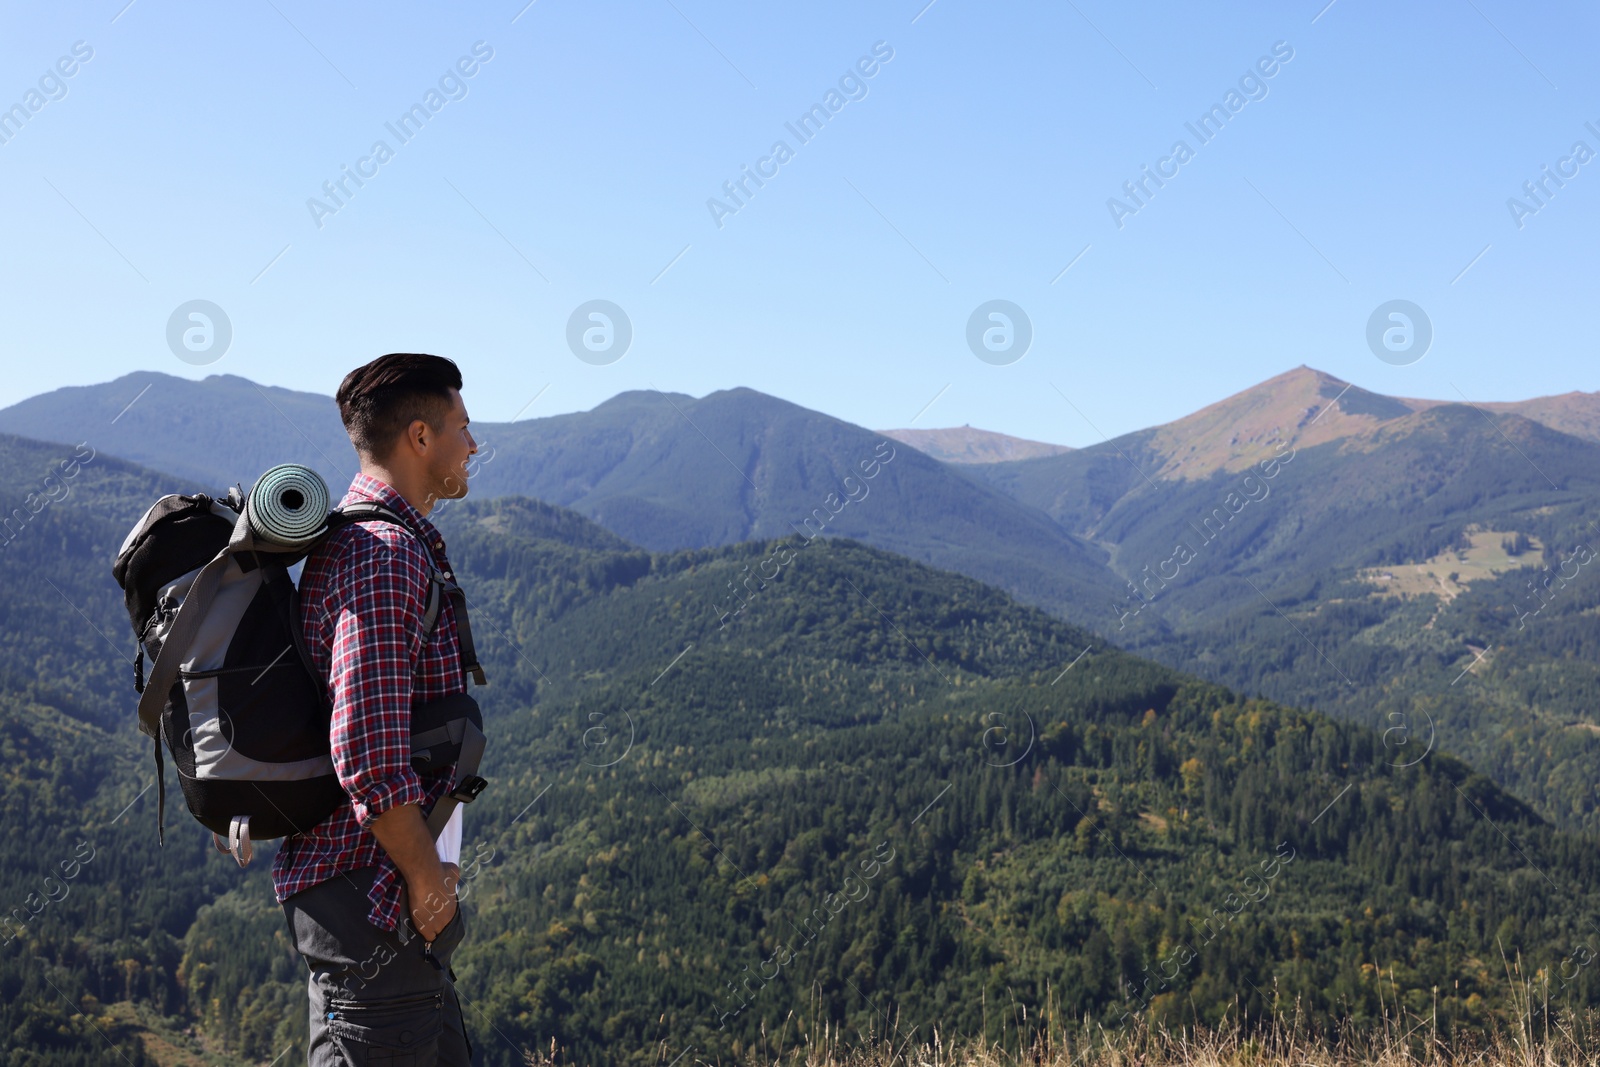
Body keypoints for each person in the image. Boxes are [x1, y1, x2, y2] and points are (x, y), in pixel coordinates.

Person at [275, 353, 481, 1066]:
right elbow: (367, 750)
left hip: (381, 910)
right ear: (419, 438)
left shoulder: (362, 539)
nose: (473, 445)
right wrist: (428, 885)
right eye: (462, 426)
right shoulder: (384, 554)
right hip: (376, 905)